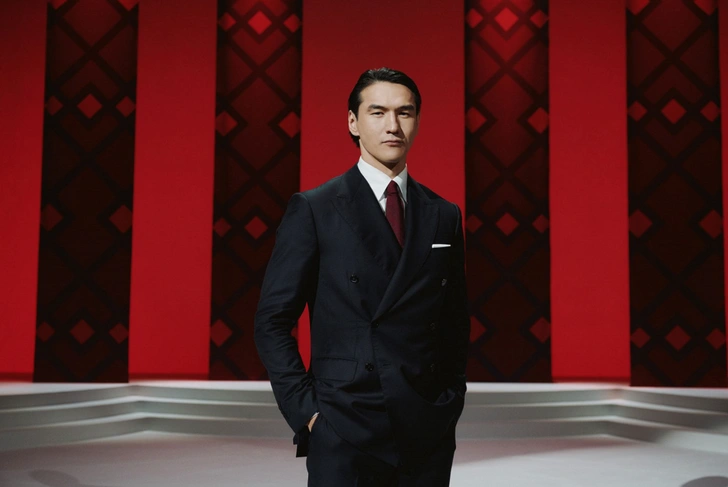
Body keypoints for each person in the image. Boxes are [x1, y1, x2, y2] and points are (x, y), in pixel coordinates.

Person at [254, 67, 470, 487]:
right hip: (344, 424)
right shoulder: (315, 208)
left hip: (425, 427)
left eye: (404, 112)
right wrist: (308, 413)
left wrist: (450, 399)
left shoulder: (443, 214)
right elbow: (272, 320)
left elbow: (454, 320)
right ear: (353, 122)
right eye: (378, 112)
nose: (393, 125)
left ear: (417, 121)